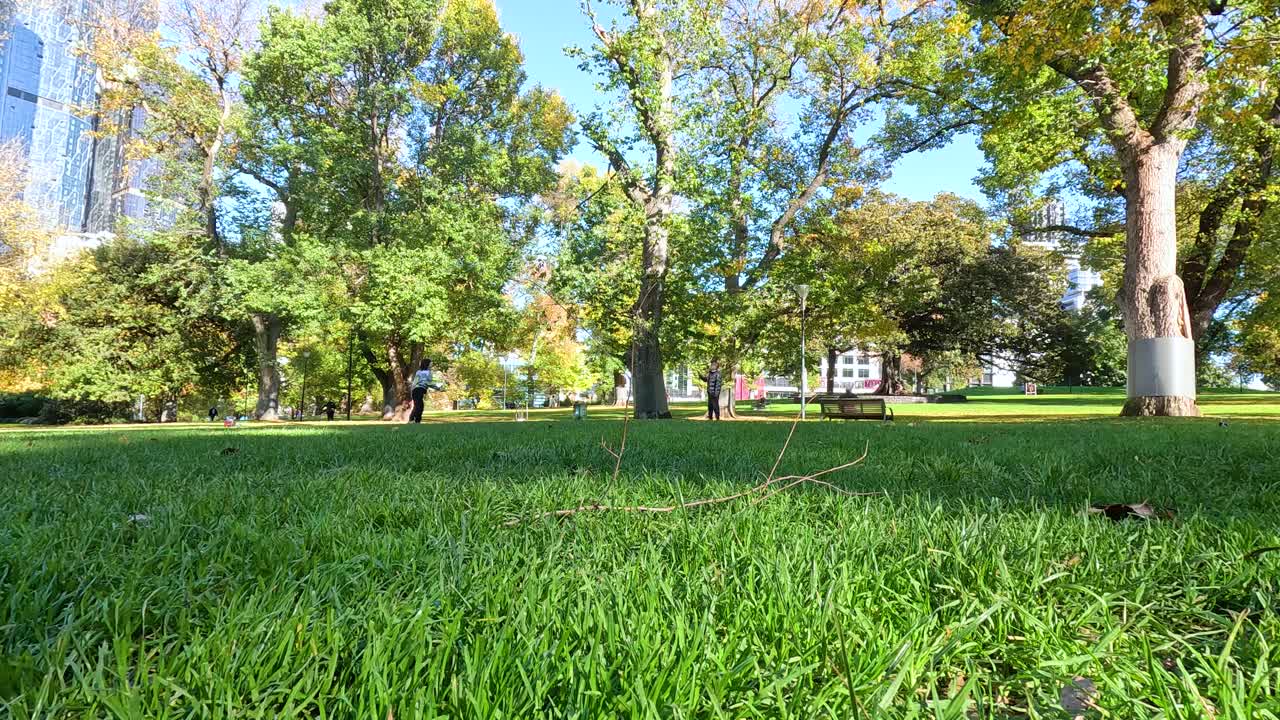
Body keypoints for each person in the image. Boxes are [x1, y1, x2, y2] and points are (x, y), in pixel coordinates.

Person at [409, 358, 438, 424]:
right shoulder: (429, 373)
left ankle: (415, 420)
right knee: (419, 406)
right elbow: (429, 383)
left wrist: (412, 390)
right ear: (427, 364)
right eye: (431, 363)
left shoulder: (418, 372)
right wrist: (438, 388)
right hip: (419, 390)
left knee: (418, 405)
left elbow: (415, 382)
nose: (432, 364)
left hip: (415, 390)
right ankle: (413, 420)